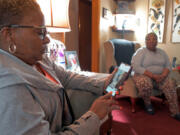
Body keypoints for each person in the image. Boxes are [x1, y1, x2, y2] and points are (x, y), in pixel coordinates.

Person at [0, 0, 118, 134]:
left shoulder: (38, 59)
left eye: (46, 32)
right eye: (40, 32)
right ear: (9, 35)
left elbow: (66, 77)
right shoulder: (10, 88)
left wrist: (102, 84)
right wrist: (93, 116)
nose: (47, 39)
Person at [131, 32, 180, 121]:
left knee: (171, 83)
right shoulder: (141, 51)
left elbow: (168, 65)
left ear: (157, 41)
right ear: (145, 41)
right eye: (149, 39)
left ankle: (175, 111)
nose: (152, 41)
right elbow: (136, 66)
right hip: (144, 75)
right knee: (144, 82)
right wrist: (153, 76)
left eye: (154, 39)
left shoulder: (162, 52)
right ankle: (147, 103)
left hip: (160, 77)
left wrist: (162, 75)